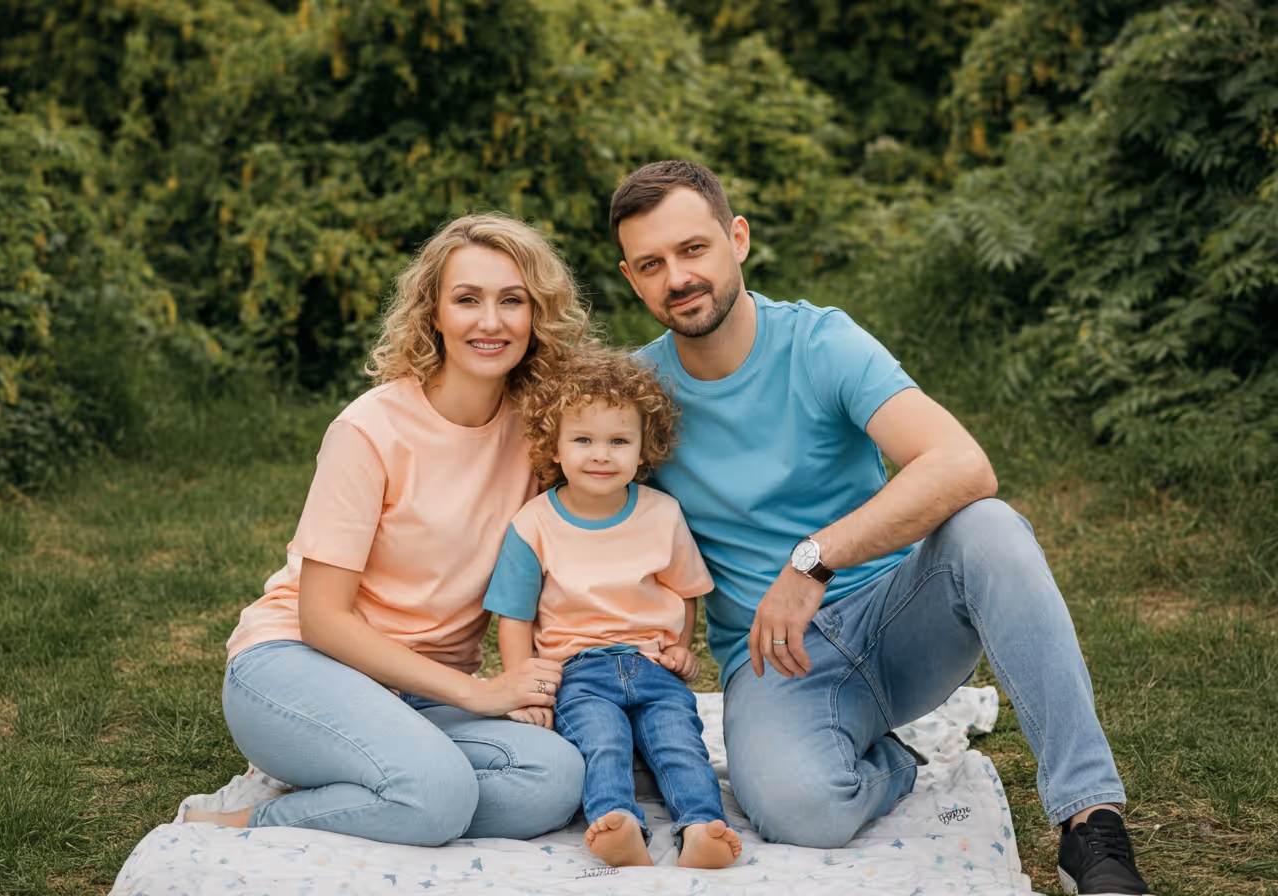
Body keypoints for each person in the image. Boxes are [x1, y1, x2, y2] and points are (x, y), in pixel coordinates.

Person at [607, 160, 1156, 896]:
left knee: (990, 528)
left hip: (899, 617)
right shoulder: (637, 392)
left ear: (737, 239)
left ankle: (1090, 822)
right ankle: (888, 760)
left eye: (693, 249)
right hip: (773, 662)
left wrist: (814, 560)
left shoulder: (821, 342)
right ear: (631, 278)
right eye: (652, 264)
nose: (677, 276)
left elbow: (963, 464)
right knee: (802, 808)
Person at [184, 214, 589, 846]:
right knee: (436, 794)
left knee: (557, 776)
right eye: (467, 300)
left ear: (538, 315)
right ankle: (252, 822)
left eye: (513, 300)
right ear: (433, 313)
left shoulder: (541, 432)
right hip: (296, 664)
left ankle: (386, 789)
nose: (491, 321)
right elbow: (322, 618)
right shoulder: (370, 430)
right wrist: (478, 694)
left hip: (420, 692)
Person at [482, 348, 743, 870]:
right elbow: (514, 615)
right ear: (553, 446)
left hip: (651, 665)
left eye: (618, 441)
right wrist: (524, 684)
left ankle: (701, 827)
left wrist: (678, 648)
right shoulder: (533, 525)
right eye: (583, 440)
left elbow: (685, 589)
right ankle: (617, 822)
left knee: (679, 742)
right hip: (579, 671)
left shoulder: (661, 514)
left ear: (644, 450)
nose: (601, 455)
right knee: (601, 742)